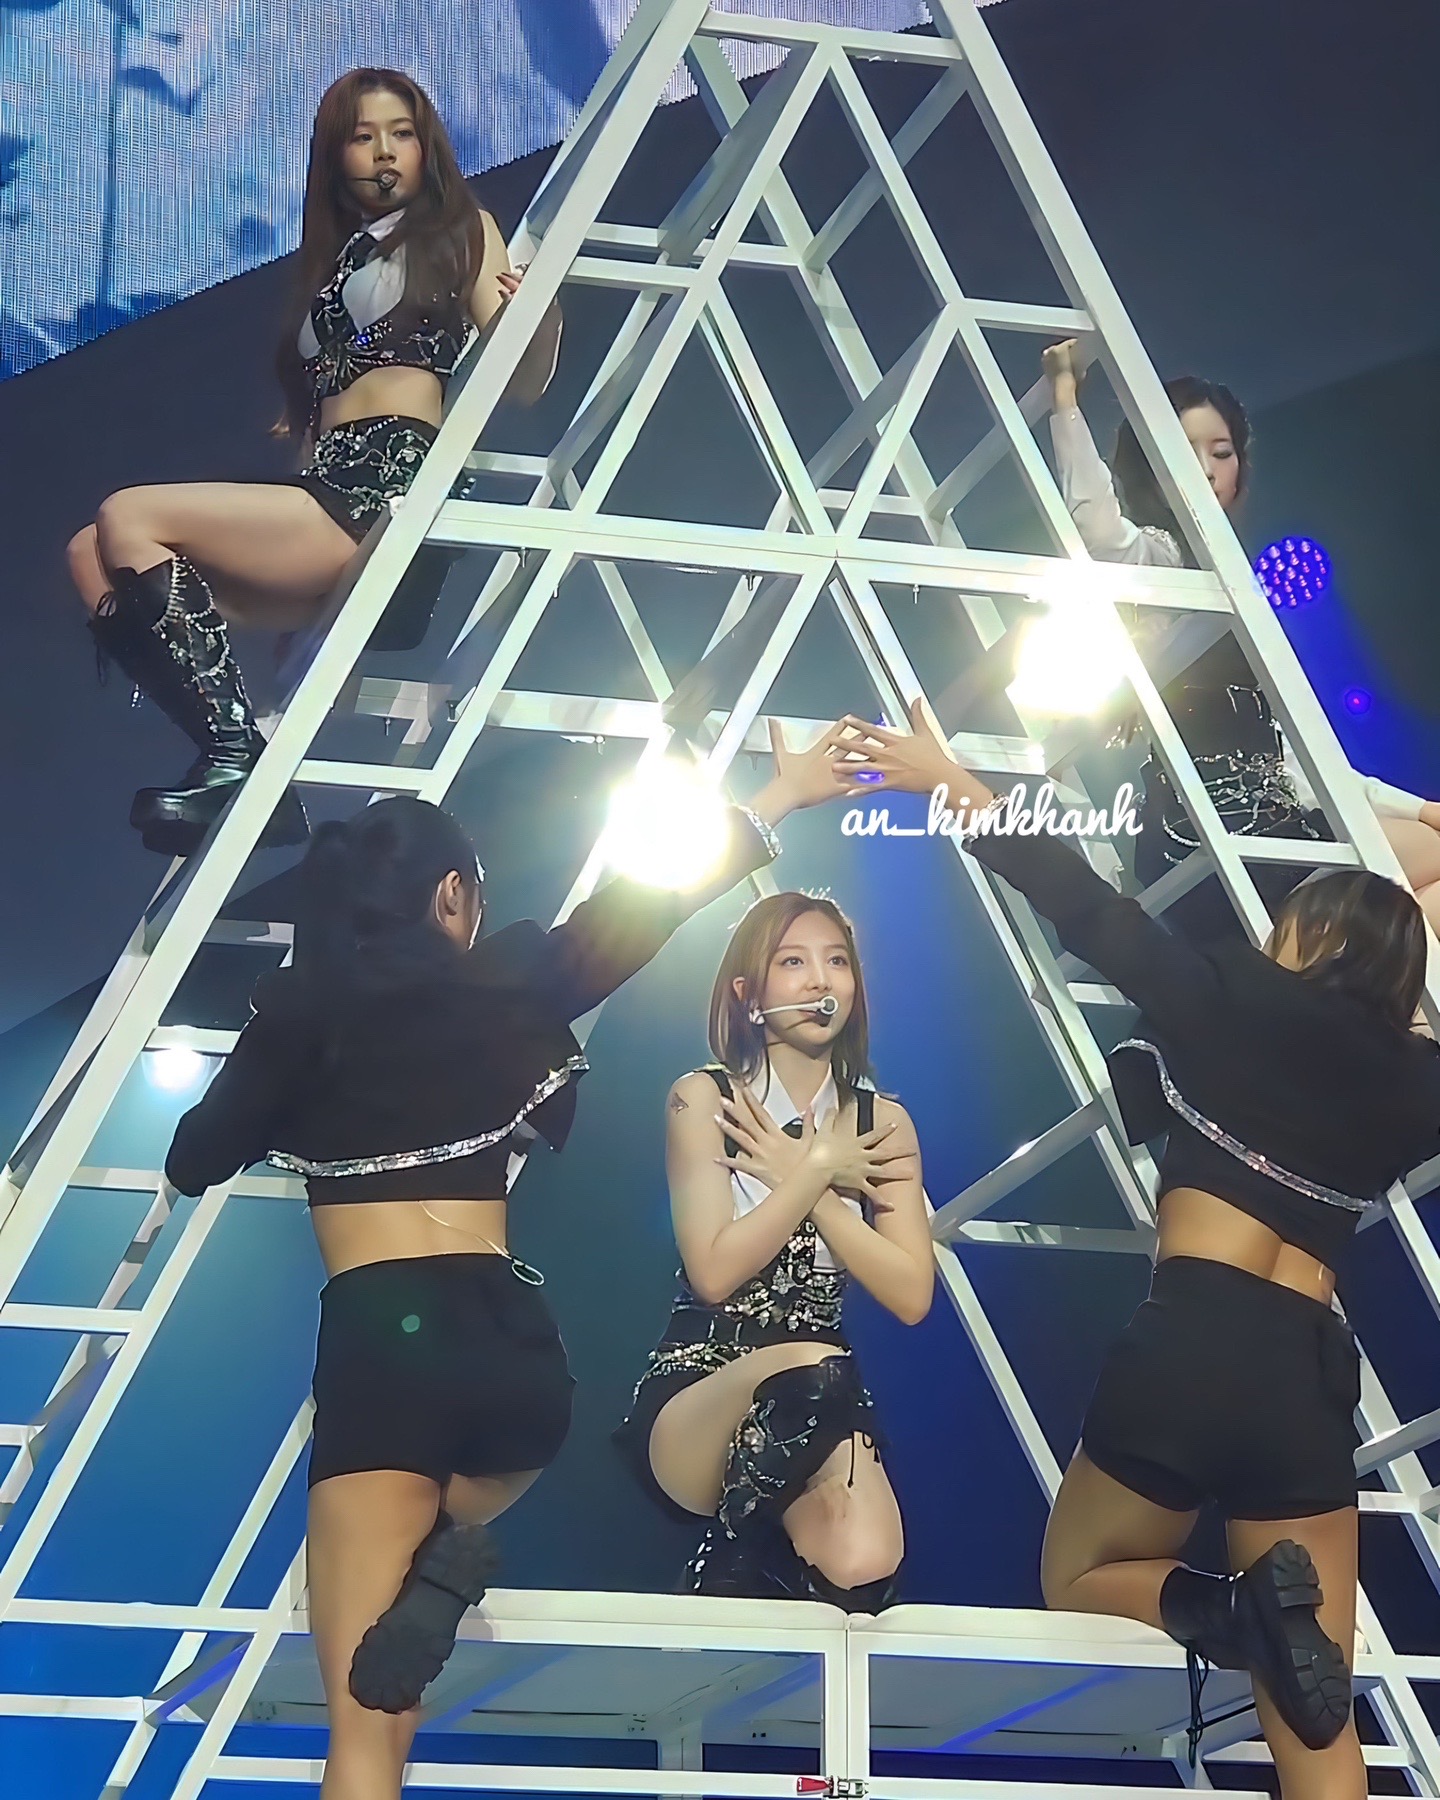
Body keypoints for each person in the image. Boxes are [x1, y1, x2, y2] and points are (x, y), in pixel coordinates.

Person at [161, 719, 850, 1800]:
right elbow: (638, 910)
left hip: (385, 1339)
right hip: (515, 1347)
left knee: (363, 1730)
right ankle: (438, 1556)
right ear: (451, 897)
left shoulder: (300, 1014)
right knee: (410, 1583)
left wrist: (280, 1078)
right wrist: (772, 799)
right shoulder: (508, 978)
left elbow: (193, 1159)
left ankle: (430, 1566)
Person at [840, 700, 1440, 1799]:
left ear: (1308, 938)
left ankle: (1232, 1613)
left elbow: (1075, 894)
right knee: (1317, 1718)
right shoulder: (1417, 1090)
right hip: (1308, 1373)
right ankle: (1271, 1629)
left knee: (1081, 1571)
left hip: (1195, 1336)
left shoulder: (1226, 997)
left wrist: (945, 778)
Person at [69, 68, 560, 858]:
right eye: (363, 137)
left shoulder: (460, 228)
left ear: (426, 146)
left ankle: (234, 756)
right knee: (88, 554)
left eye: (401, 133)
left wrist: (542, 314)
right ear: (336, 157)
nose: (384, 152)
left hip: (380, 486)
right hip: (323, 487)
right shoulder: (334, 267)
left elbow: (524, 382)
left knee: (127, 514)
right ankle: (229, 752)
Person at [1043, 340, 1440, 936]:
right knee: (1416, 885)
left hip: (1272, 813)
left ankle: (1378, 988)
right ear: (1149, 463)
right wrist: (1064, 399)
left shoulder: (1236, 585)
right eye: (1184, 450)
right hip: (1208, 824)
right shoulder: (1159, 558)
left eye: (1221, 452)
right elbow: (1095, 524)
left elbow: (1301, 764)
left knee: (1414, 914)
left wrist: (1424, 808)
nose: (1206, 468)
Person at [615, 892, 934, 1609]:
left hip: (820, 1396)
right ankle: (724, 1558)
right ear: (747, 993)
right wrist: (818, 1170)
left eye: (837, 962)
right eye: (793, 962)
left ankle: (754, 1563)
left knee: (865, 1562)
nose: (821, 980)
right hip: (703, 1388)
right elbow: (714, 1271)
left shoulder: (884, 1123)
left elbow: (912, 1294)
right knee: (813, 1365)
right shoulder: (704, 1098)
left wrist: (806, 1180)